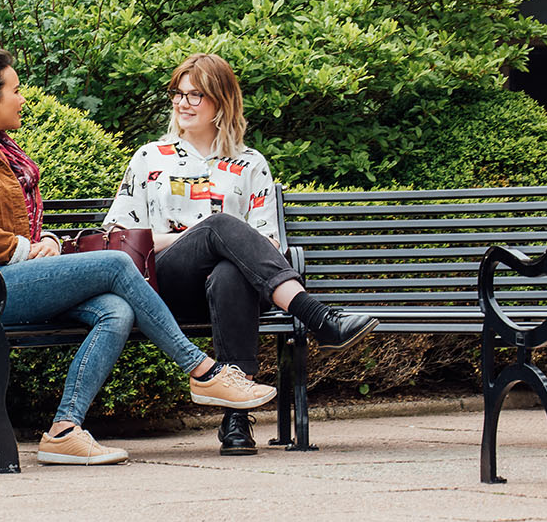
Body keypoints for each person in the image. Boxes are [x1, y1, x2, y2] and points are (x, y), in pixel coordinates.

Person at [0, 49, 276, 466]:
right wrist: (25, 250)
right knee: (115, 263)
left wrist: (47, 241)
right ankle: (203, 371)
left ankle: (64, 430)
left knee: (116, 309)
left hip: (23, 275)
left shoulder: (3, 150)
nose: (23, 98)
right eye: (16, 90)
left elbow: (22, 224)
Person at [102, 52, 379, 457]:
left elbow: (267, 244)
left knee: (231, 271)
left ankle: (235, 419)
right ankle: (317, 316)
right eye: (178, 94)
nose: (182, 103)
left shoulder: (249, 163)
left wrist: (219, 243)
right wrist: (196, 237)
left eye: (195, 95)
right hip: (165, 284)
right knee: (220, 227)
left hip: (228, 290)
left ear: (221, 101)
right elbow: (119, 235)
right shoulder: (151, 157)